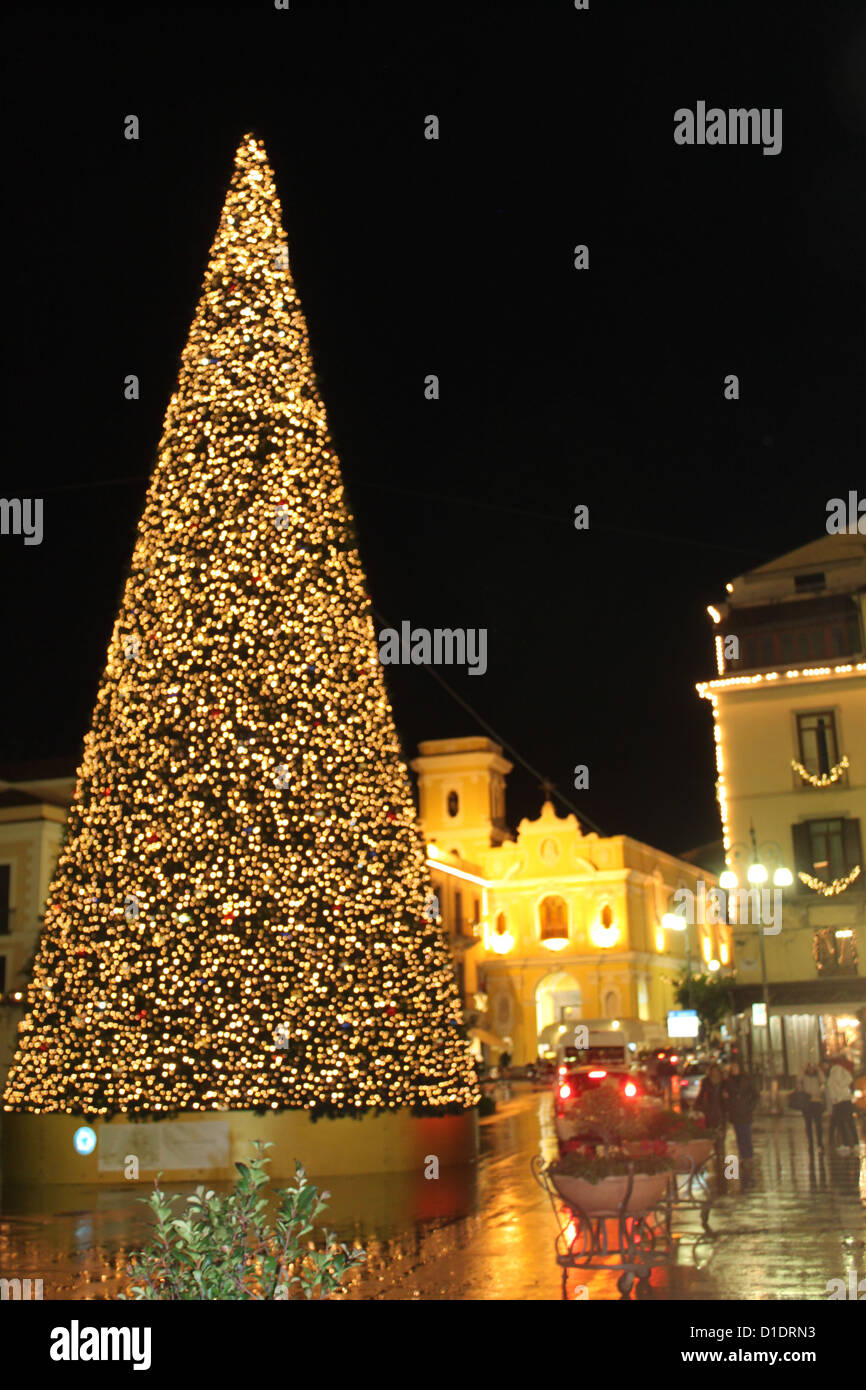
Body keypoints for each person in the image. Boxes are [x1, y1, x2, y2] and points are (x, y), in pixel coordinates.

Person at [723, 1060, 759, 1162]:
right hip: (735, 1113)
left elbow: (755, 1095)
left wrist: (750, 1107)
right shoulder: (728, 1081)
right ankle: (743, 1155)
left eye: (736, 1068)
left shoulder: (746, 1080)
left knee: (746, 1134)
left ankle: (748, 1155)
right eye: (733, 1068)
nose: (734, 1070)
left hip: (745, 1112)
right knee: (739, 1135)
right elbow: (726, 1096)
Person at [826, 1056, 860, 1153]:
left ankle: (846, 1144)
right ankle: (855, 1143)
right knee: (849, 1122)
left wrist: (836, 1096)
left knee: (841, 1123)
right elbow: (849, 1079)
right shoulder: (842, 1070)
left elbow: (832, 1087)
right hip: (845, 1099)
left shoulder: (835, 1071)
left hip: (839, 1100)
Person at [796, 1060, 826, 1155]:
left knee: (818, 1124)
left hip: (816, 1102)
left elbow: (823, 1080)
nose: (811, 1069)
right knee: (808, 1124)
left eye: (812, 1067)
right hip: (807, 1102)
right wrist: (803, 1068)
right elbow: (798, 1080)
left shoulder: (817, 1076)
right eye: (810, 1067)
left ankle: (820, 1143)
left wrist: (818, 1069)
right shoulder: (804, 1076)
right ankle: (810, 1142)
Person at [695, 1064, 726, 1150]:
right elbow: (701, 1094)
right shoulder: (706, 1082)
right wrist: (697, 1106)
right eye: (713, 1071)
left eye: (716, 1071)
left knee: (721, 1134)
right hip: (710, 1110)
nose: (715, 1073)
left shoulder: (724, 1082)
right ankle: (715, 1151)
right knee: (711, 1133)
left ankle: (720, 1153)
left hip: (721, 1111)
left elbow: (729, 1094)